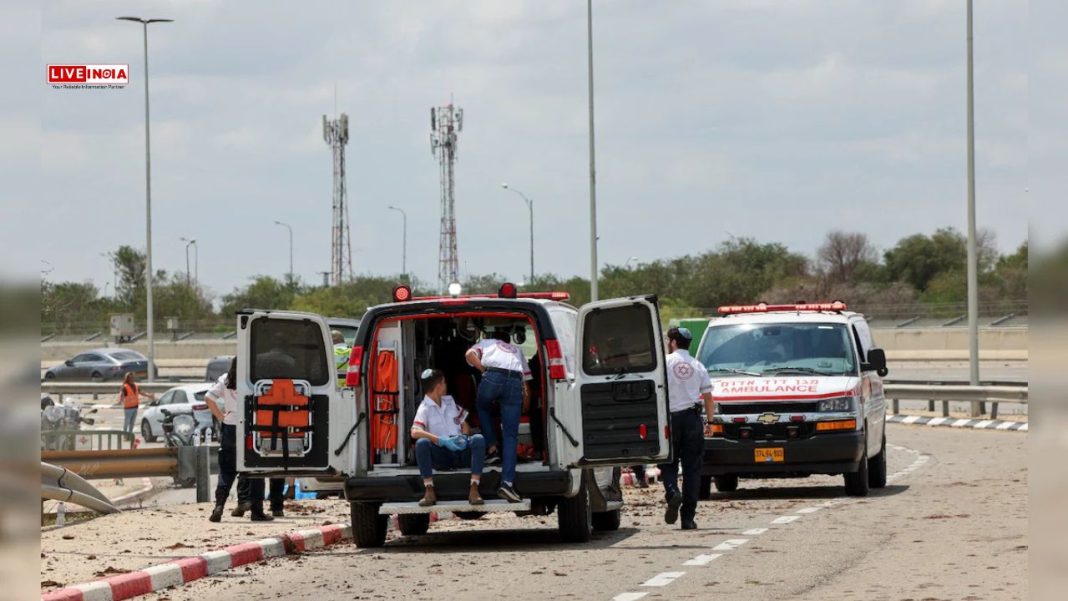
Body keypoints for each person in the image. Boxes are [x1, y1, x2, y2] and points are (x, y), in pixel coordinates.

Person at [657, 327, 716, 530]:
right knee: (692, 469)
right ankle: (688, 518)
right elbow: (708, 398)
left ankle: (673, 492)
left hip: (670, 420)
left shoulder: (664, 363)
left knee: (668, 462)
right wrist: (711, 422)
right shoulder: (698, 365)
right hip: (692, 420)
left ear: (673, 342)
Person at [204, 358, 274, 523]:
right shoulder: (255, 380)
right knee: (256, 468)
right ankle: (257, 512)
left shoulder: (225, 379)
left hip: (230, 428)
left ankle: (219, 506)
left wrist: (221, 416)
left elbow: (209, 398)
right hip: (252, 427)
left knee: (227, 470)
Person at [465, 327, 529, 503]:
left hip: (493, 376)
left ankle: (492, 447)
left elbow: (469, 355)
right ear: (508, 341)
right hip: (515, 381)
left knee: (482, 406)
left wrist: (483, 369)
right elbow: (526, 380)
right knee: (510, 436)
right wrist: (526, 402)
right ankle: (507, 483)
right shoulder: (518, 350)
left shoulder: (486, 343)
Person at [411, 369, 485, 507]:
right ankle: (429, 489)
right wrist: (440, 440)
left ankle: (474, 489)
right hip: (443, 454)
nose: (446, 385)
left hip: (461, 451)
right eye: (444, 382)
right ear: (439, 386)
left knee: (478, 439)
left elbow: (465, 425)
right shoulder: (424, 408)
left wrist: (463, 436)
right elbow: (415, 431)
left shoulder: (449, 401)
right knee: (421, 443)